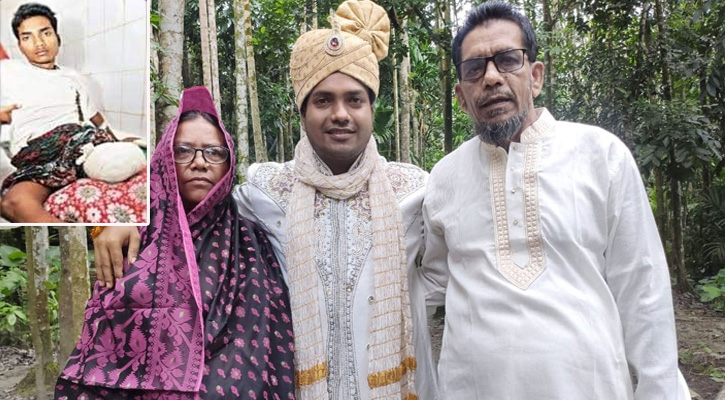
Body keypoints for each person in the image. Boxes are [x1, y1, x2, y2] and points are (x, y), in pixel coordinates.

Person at [93, 1, 438, 399]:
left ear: (372, 109)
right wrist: (122, 216)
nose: (340, 113)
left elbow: (450, 269)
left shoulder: (415, 191)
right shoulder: (264, 191)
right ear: (302, 113)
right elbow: (190, 210)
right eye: (323, 100)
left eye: (355, 100)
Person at [420, 2, 689, 399]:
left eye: (507, 60)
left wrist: (659, 391)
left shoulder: (601, 155)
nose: (491, 78)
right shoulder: (443, 177)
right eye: (474, 69)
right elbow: (428, 281)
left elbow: (643, 288)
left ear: (536, 76)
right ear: (461, 95)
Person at [55, 86, 295, 400]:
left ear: (229, 162)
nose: (200, 162)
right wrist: (107, 226)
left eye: (214, 152)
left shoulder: (251, 241)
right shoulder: (134, 234)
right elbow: (104, 345)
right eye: (183, 151)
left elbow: (266, 341)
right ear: (165, 159)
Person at [0, 3, 114, 223]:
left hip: (77, 143)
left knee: (114, 161)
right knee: (12, 203)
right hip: (36, 156)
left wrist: (114, 138)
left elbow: (95, 117)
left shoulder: (74, 78)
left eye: (46, 33)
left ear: (57, 37)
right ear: (19, 45)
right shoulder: (8, 72)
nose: (39, 43)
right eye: (27, 37)